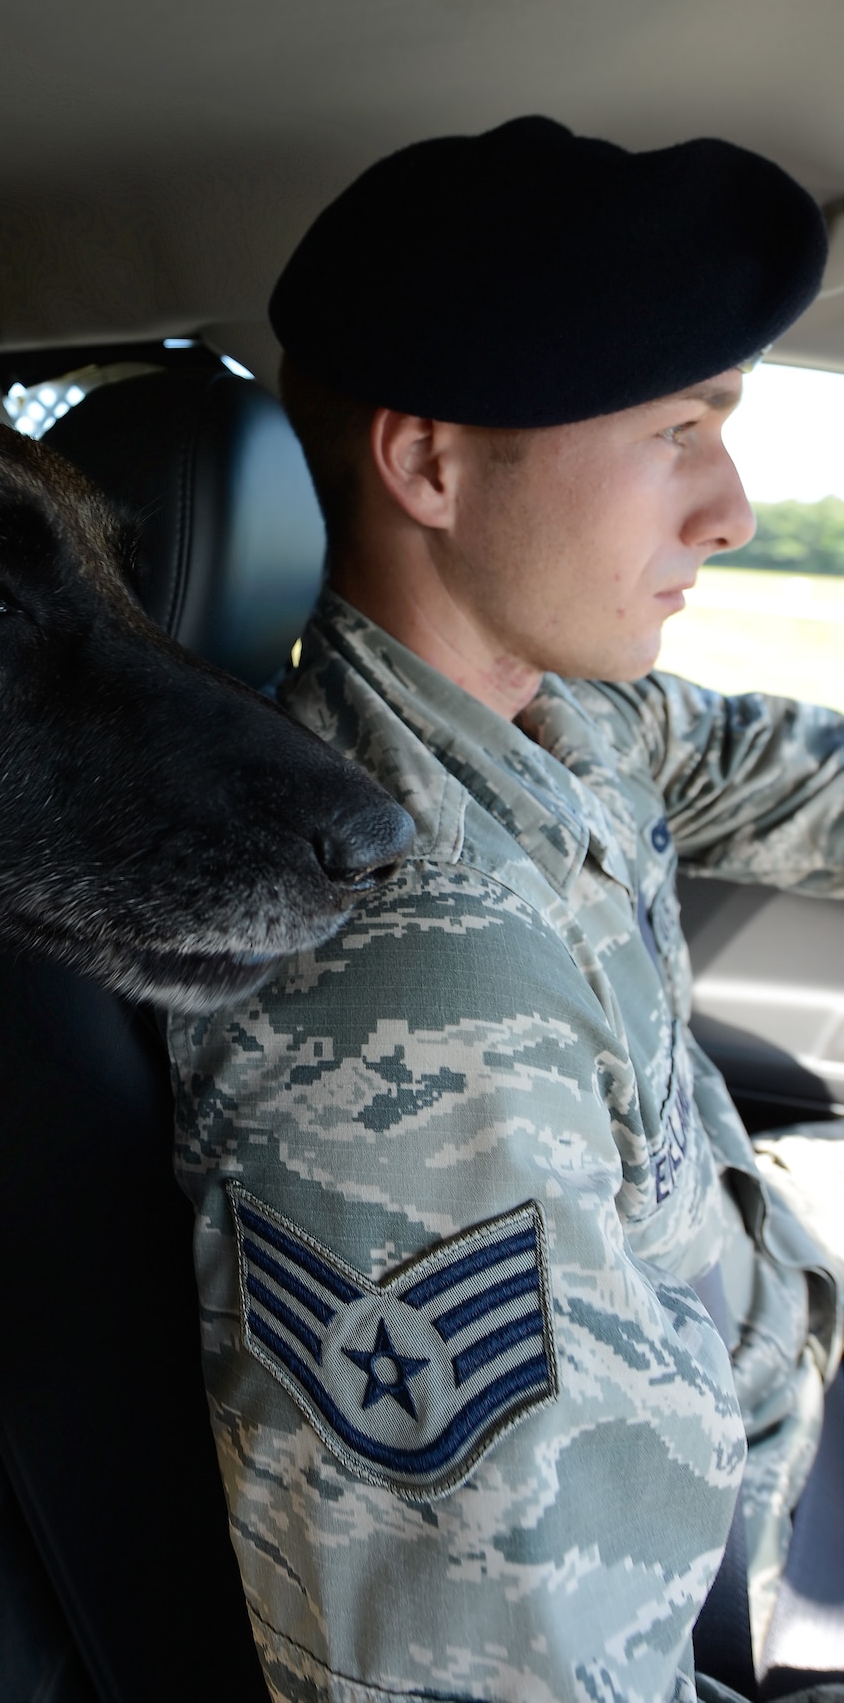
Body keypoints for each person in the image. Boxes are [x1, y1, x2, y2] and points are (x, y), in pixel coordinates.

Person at [166, 117, 844, 1703]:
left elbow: (757, 759)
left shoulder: (548, 713)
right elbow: (494, 1661)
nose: (731, 509)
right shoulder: (410, 987)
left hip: (760, 1389)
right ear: (425, 466)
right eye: (681, 429)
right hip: (711, 1552)